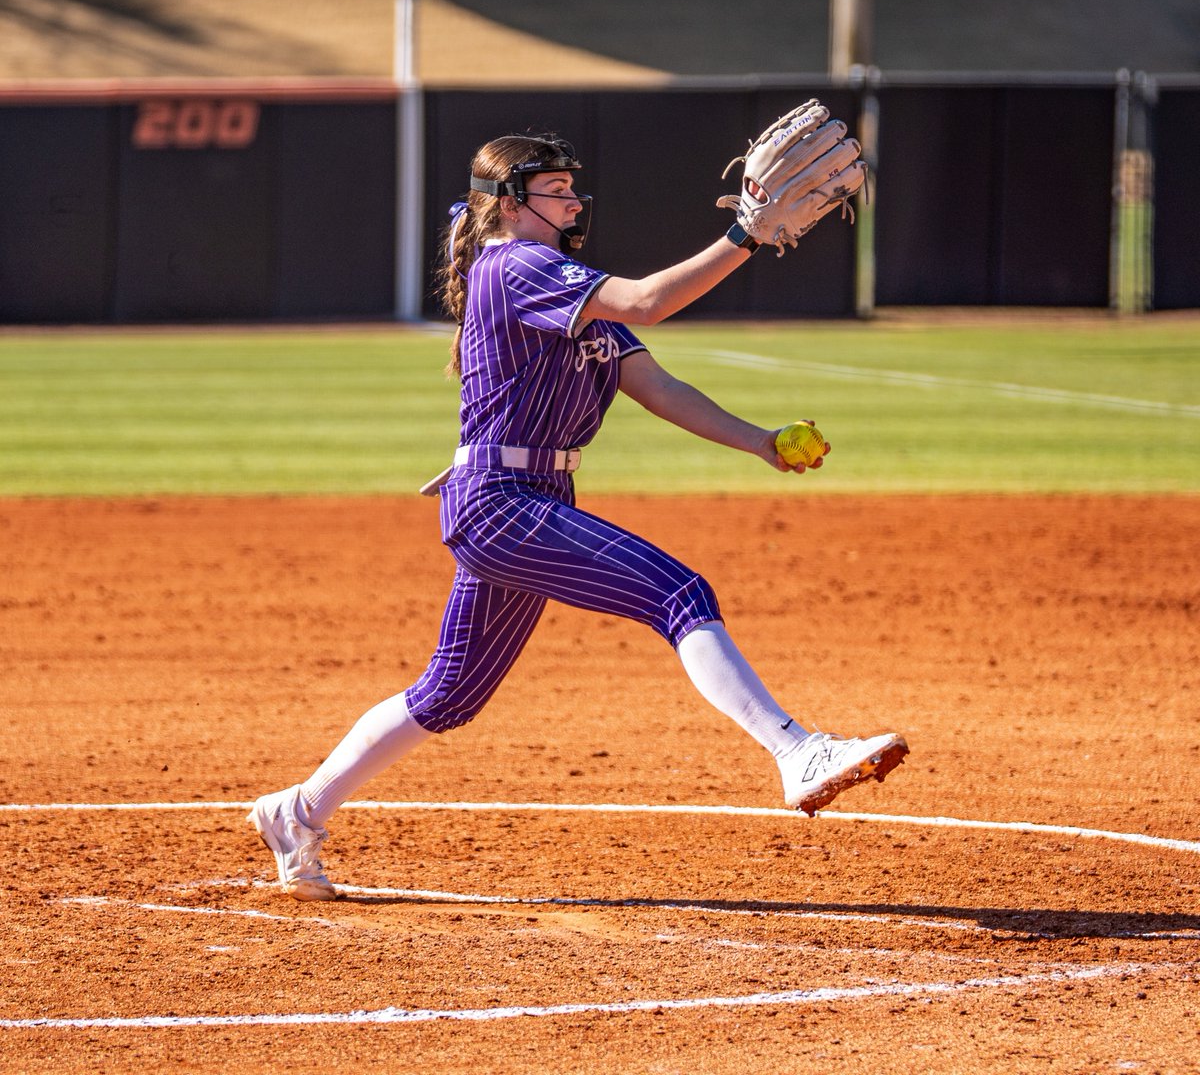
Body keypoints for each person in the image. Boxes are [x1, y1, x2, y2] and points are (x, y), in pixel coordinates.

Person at [248, 130, 908, 901]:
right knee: (679, 593)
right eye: (554, 188)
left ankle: (295, 813)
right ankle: (798, 752)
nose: (571, 199)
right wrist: (743, 234)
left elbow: (659, 389)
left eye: (570, 187)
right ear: (508, 203)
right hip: (500, 502)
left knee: (450, 694)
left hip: (530, 500)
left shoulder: (569, 286)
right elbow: (649, 301)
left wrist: (759, 442)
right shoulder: (518, 267)